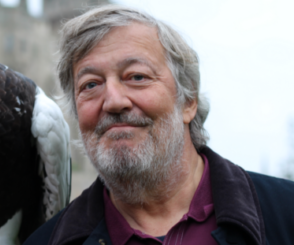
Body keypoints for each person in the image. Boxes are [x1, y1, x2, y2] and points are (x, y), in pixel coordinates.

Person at [24, 4, 294, 245]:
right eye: (91, 84)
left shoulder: (285, 213)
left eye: (137, 76)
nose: (113, 101)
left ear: (188, 100)